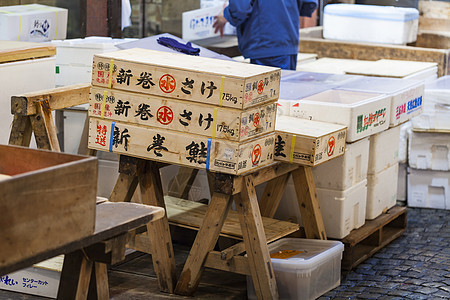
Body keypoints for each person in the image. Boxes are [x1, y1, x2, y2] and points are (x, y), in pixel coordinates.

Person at [213, 0, 318, 70]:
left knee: (267, 98)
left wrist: (225, 15)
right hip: (288, 42)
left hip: (265, 43)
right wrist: (286, 12)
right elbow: (310, 3)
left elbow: (240, 9)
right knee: (285, 97)